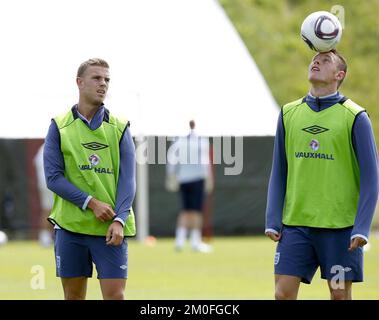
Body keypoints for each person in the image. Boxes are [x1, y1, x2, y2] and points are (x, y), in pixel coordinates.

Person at [265, 49, 379, 300]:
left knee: (340, 296)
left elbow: (372, 179)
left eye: (325, 60)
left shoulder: (356, 117)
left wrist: (361, 228)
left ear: (339, 75)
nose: (316, 61)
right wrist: (273, 218)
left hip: (340, 230)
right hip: (296, 226)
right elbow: (279, 170)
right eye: (315, 59)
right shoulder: (288, 114)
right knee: (282, 294)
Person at [44, 58, 136, 300]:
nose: (103, 84)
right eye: (96, 78)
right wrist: (91, 203)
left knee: (116, 296)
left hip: (110, 228)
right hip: (70, 227)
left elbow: (128, 180)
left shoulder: (120, 127)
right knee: (73, 297)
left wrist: (119, 219)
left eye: (107, 79)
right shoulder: (59, 126)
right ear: (79, 82)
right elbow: (53, 178)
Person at [166, 120, 213, 253]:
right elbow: (205, 162)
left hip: (184, 179)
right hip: (196, 179)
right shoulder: (200, 141)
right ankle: (194, 242)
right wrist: (208, 178)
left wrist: (171, 176)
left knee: (186, 210)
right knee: (195, 211)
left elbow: (172, 161)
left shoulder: (178, 140)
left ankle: (181, 241)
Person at [34, 142, 54, 247]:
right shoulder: (48, 146)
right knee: (48, 209)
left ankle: (46, 236)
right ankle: (44, 236)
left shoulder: (42, 148)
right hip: (49, 184)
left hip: (48, 183)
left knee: (48, 209)